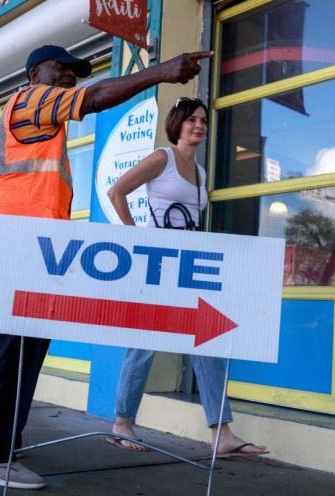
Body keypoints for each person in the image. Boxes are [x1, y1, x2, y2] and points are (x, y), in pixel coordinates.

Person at [0, 45, 213, 489]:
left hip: (18, 237)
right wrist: (162, 72)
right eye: (62, 70)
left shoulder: (27, 113)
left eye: (73, 75)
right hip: (22, 239)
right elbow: (93, 99)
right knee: (20, 351)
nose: (68, 80)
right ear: (36, 69)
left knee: (12, 349)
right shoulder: (32, 96)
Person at [105, 98, 268, 458]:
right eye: (192, 119)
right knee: (143, 343)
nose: (199, 125)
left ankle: (221, 433)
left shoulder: (200, 172)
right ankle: (122, 424)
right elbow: (116, 192)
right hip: (158, 262)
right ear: (177, 124)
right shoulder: (162, 158)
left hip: (189, 265)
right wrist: (137, 240)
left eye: (203, 121)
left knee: (207, 342)